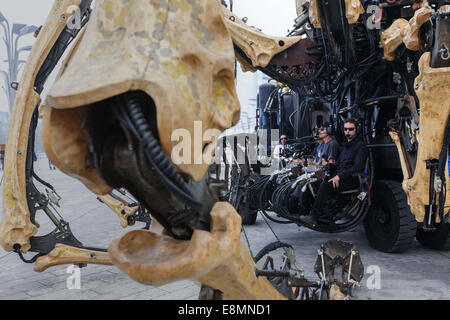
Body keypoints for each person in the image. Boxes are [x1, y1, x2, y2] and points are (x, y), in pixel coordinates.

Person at [300, 118, 368, 225]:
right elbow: (338, 163)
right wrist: (328, 166)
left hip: (350, 180)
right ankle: (310, 212)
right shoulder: (345, 146)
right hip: (339, 176)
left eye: (351, 129)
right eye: (346, 129)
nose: (348, 132)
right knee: (313, 181)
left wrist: (339, 176)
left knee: (325, 186)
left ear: (356, 130)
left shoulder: (360, 146)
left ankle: (314, 216)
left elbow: (357, 167)